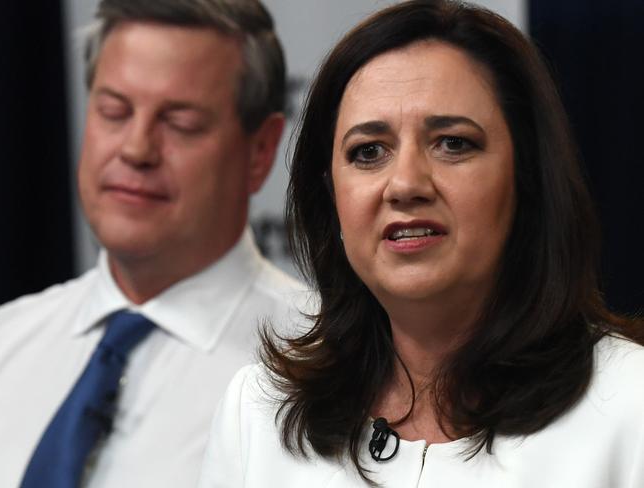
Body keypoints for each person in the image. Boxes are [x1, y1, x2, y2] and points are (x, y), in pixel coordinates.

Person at [198, 1, 644, 486]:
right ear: (331, 196)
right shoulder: (259, 414)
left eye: (452, 143)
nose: (406, 183)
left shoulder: (630, 405)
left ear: (529, 177)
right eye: (368, 152)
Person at [0, 1, 310, 487]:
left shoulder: (325, 369)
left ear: (261, 150)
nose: (136, 148)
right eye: (114, 112)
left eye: (180, 123)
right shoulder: (5, 342)